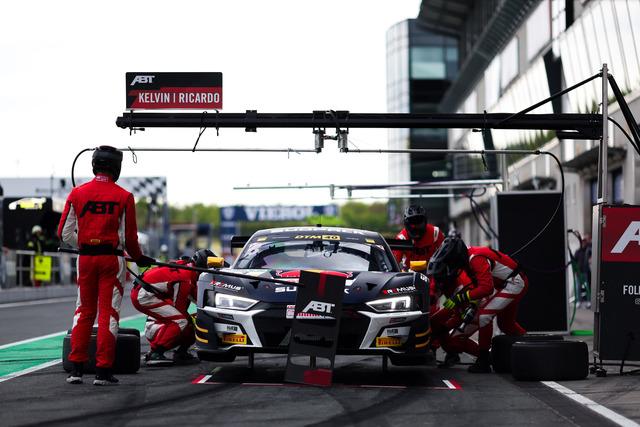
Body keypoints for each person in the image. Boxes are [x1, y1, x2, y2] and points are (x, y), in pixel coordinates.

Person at [58, 145, 154, 385]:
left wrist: (83, 244)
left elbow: (64, 233)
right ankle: (102, 371)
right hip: (112, 260)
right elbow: (129, 238)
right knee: (108, 313)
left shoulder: (77, 193)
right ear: (116, 167)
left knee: (83, 311)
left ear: (94, 165)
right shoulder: (124, 196)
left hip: (85, 259)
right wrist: (139, 258)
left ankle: (76, 370)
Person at [427, 236, 528, 373]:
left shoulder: (475, 259)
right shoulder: (467, 260)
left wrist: (460, 298)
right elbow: (478, 288)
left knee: (485, 316)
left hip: (514, 282)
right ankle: (526, 349)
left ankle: (484, 360)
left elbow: (486, 288)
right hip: (504, 284)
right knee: (506, 325)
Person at [131, 249, 214, 366]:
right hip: (143, 295)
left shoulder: (187, 270)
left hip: (147, 292)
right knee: (181, 321)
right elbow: (180, 308)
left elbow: (199, 300)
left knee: (189, 321)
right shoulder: (185, 278)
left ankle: (181, 353)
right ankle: (155, 352)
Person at [393, 205, 445, 271]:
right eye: (412, 224)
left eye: (419, 223)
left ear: (425, 222)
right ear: (406, 224)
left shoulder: (435, 232)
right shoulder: (402, 238)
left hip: (432, 271)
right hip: (409, 273)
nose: (416, 228)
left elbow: (444, 256)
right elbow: (395, 262)